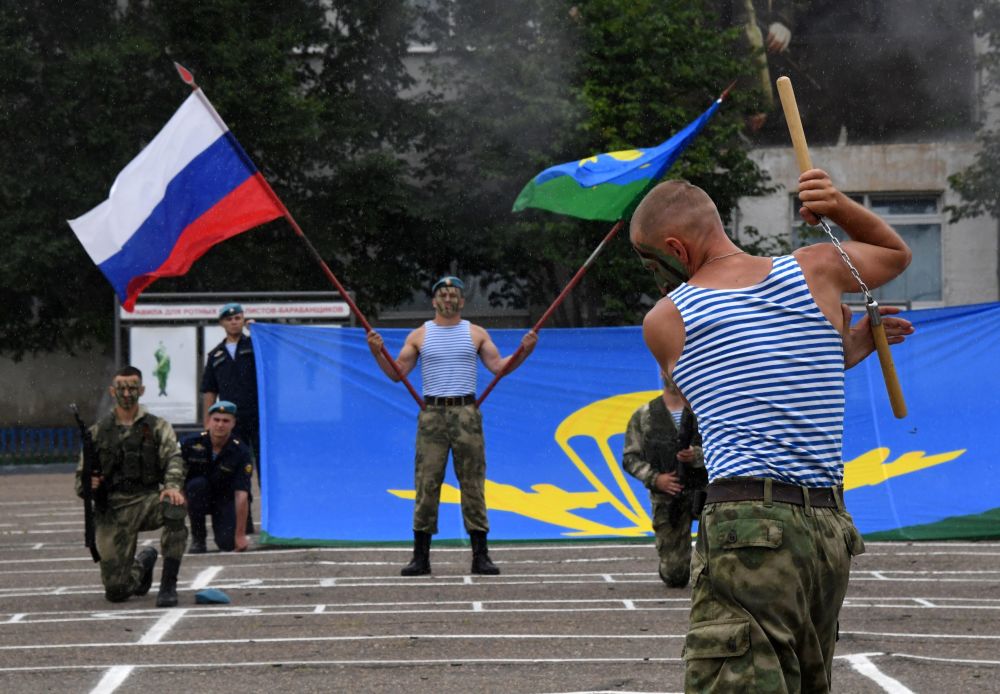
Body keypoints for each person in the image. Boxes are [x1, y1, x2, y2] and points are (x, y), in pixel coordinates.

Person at [630, 170, 913, 692]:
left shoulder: (666, 319)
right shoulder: (817, 267)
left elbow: (737, 387)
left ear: (675, 247)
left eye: (652, 261)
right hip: (829, 527)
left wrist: (832, 349)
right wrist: (838, 205)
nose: (655, 273)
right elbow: (894, 254)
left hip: (748, 526)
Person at [366, 276, 538, 576]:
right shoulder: (420, 335)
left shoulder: (475, 333)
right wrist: (377, 352)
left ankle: (480, 556)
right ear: (434, 301)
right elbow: (397, 373)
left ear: (461, 300)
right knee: (426, 483)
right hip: (432, 413)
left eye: (454, 294)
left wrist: (524, 351)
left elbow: (499, 367)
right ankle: (420, 557)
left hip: (466, 413)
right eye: (443, 294)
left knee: (472, 483)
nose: (448, 299)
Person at [74, 365, 188, 608]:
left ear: (142, 390)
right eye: (122, 388)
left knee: (174, 507)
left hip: (147, 500)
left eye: (132, 388)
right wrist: (88, 484)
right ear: (113, 391)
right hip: (112, 510)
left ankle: (168, 585)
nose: (127, 394)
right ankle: (143, 564)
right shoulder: (97, 433)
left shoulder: (157, 426)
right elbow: (80, 482)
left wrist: (172, 486)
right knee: (116, 591)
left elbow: (174, 458)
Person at [621, 373, 707, 588]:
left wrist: (697, 456)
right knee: (675, 575)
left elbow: (728, 449)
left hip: (706, 492)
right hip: (668, 498)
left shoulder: (705, 411)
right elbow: (630, 458)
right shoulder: (644, 415)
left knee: (719, 567)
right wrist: (655, 478)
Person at [201, 302, 259, 533]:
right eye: (229, 319)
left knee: (265, 468)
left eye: (238, 318)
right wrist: (209, 421)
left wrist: (258, 332)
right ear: (222, 323)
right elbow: (209, 390)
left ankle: (275, 520)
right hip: (232, 422)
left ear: (243, 319)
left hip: (258, 417)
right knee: (238, 470)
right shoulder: (215, 355)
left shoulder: (255, 345)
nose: (234, 321)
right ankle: (243, 523)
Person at [182, 401, 252, 554]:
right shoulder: (191, 443)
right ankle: (198, 539)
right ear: (208, 421)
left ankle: (227, 533)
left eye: (226, 421)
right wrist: (184, 503)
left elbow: (242, 494)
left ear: (233, 423)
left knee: (228, 544)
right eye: (216, 420)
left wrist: (240, 534)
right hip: (198, 496)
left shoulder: (241, 451)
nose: (220, 425)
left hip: (224, 500)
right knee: (196, 485)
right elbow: (175, 476)